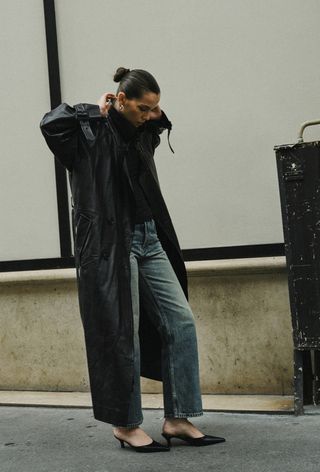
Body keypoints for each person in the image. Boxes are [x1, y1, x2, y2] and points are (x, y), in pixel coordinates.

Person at [40, 67, 226, 453]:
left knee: (180, 322)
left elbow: (161, 122)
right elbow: (50, 124)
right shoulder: (85, 134)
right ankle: (125, 425)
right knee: (124, 330)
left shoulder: (144, 133)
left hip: (148, 237)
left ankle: (178, 418)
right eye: (143, 107)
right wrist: (93, 109)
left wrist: (148, 114)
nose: (150, 115)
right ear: (121, 100)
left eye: (153, 108)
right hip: (112, 242)